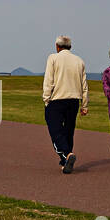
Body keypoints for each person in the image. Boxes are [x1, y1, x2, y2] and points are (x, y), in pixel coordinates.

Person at [42, 35, 88, 173]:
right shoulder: (79, 61)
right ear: (70, 47)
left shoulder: (53, 58)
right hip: (73, 100)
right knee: (69, 130)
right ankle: (65, 161)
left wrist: (46, 98)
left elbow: (49, 79)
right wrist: (84, 105)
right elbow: (84, 85)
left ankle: (67, 154)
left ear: (57, 46)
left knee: (55, 130)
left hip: (57, 99)